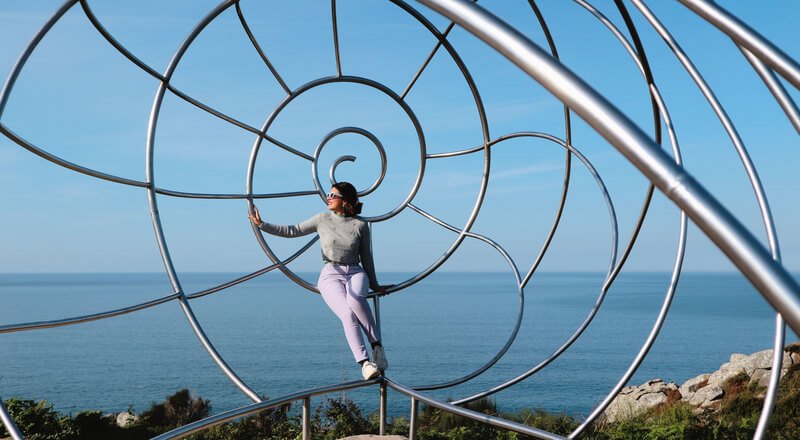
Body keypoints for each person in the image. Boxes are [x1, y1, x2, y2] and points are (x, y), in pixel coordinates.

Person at [249, 182, 389, 380]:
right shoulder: (322, 219)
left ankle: (377, 349)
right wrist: (263, 224)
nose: (328, 198)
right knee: (347, 314)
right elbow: (293, 230)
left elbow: (367, 257)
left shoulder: (360, 225)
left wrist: (374, 284)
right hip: (331, 273)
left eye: (334, 195)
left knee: (357, 299)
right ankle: (365, 363)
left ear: (345, 200)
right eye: (329, 194)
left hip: (356, 271)